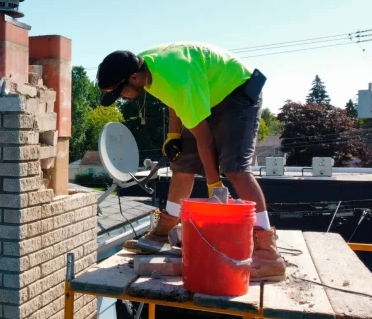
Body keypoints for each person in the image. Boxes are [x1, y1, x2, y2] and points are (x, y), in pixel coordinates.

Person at [96, 42, 285, 281]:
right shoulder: (144, 68)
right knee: (182, 161)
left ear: (133, 77)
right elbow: (173, 99)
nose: (121, 97)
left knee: (235, 167)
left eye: (120, 92)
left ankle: (268, 254)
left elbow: (204, 138)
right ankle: (165, 230)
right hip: (207, 91)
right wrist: (174, 135)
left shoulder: (176, 77)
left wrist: (213, 184)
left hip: (237, 88)